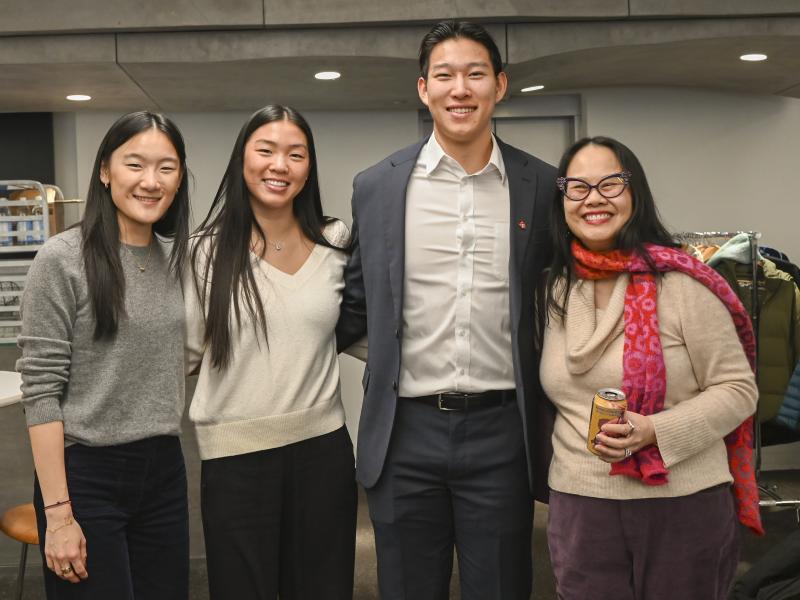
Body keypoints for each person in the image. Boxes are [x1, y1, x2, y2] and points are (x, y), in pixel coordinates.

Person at [336, 20, 556, 600]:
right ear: (423, 88)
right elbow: (354, 303)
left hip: (502, 431)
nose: (460, 89)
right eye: (445, 76)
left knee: (503, 587)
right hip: (404, 432)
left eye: (475, 74)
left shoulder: (543, 186)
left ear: (500, 86)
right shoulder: (377, 187)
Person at [539, 135, 763, 599]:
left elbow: (739, 389)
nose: (594, 198)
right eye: (577, 187)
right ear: (562, 200)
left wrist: (656, 431)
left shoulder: (683, 284)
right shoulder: (552, 290)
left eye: (610, 184)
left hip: (684, 503)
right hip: (582, 504)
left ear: (635, 192)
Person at [185, 104, 356, 600]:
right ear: (243, 160)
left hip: (322, 453)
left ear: (309, 168)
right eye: (266, 150)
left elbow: (366, 330)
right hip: (234, 461)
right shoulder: (205, 253)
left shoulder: (336, 242)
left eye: (295, 154)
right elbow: (181, 356)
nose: (279, 165)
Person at [17, 111, 191, 599]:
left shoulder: (176, 259)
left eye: (167, 167)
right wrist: (58, 514)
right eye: (135, 164)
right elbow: (42, 393)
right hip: (86, 472)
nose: (150, 182)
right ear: (105, 170)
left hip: (164, 469)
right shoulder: (61, 258)